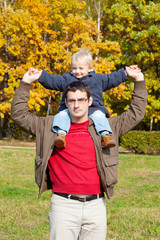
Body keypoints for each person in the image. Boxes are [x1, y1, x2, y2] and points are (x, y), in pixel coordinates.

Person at [11, 68, 147, 240]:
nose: (76, 105)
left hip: (96, 205)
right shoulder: (49, 127)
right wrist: (25, 83)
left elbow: (136, 113)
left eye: (81, 100)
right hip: (63, 205)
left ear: (90, 101)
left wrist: (139, 80)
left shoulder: (106, 128)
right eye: (72, 100)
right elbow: (19, 115)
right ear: (66, 102)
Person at [29, 49, 140, 149]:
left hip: (94, 108)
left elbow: (112, 78)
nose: (77, 71)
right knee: (62, 115)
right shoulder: (67, 79)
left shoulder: (98, 79)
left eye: (81, 68)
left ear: (90, 68)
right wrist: (41, 75)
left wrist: (125, 72)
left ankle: (105, 136)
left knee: (99, 116)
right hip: (70, 110)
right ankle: (61, 135)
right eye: (74, 68)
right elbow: (53, 81)